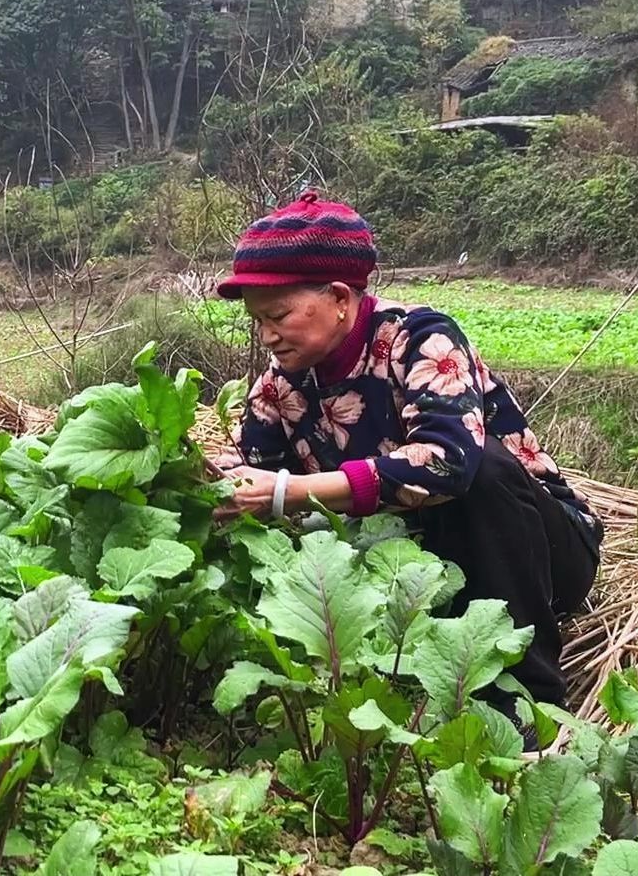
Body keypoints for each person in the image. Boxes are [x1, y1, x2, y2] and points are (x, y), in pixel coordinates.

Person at [213, 190, 602, 713]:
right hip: (416, 564)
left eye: (278, 314)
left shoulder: (418, 338)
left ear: (340, 298)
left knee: (482, 468)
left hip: (538, 555)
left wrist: (292, 491)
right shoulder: (279, 386)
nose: (267, 335)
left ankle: (530, 704)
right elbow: (252, 475)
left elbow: (450, 462)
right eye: (257, 321)